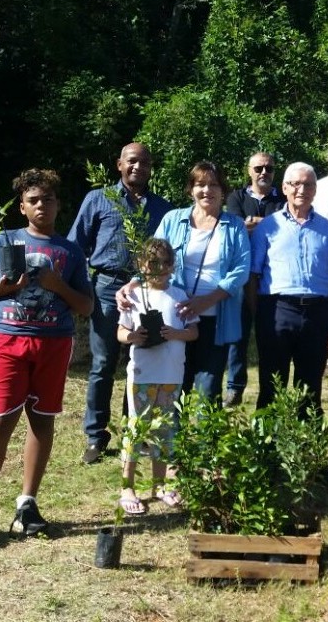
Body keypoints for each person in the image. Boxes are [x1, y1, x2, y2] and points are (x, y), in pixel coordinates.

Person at [0, 169, 94, 545]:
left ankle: (27, 504)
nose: (41, 205)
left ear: (58, 205)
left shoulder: (70, 252)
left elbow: (86, 306)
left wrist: (57, 285)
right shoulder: (4, 241)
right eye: (34, 200)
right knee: (0, 421)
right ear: (22, 207)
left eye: (48, 199)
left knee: (42, 420)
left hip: (54, 342)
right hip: (8, 338)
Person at [69, 142, 172, 465]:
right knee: (102, 364)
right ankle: (96, 437)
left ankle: (135, 431)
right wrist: (83, 287)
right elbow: (76, 246)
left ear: (151, 167)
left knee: (137, 362)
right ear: (119, 164)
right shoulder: (99, 199)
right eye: (132, 161)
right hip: (106, 287)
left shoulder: (162, 208)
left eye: (144, 162)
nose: (137, 167)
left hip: (145, 291)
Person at [117, 161, 251, 403]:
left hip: (215, 318)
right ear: (191, 189)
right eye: (200, 184)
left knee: (207, 391)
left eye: (213, 184)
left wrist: (206, 301)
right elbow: (152, 257)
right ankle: (167, 440)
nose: (207, 190)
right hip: (174, 317)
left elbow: (241, 270)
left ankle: (200, 441)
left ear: (223, 190)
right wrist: (132, 285)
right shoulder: (172, 219)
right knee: (173, 386)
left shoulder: (235, 226)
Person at [250, 162, 328, 412]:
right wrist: (258, 316)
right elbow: (253, 276)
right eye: (295, 184)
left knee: (310, 386)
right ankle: (267, 446)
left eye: (308, 184)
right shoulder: (267, 227)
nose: (301, 189)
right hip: (277, 310)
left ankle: (306, 445)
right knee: (271, 383)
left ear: (315, 190)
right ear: (284, 188)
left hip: (317, 313)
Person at [116, 238, 199, 515]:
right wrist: (133, 337)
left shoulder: (179, 295)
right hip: (142, 374)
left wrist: (176, 333)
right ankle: (127, 486)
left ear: (173, 266)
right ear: (142, 265)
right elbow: (120, 332)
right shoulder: (135, 296)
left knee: (165, 431)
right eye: (153, 263)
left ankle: (160, 484)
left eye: (166, 263)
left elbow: (193, 331)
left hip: (172, 374)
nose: (160, 268)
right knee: (137, 429)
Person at [223, 152, 286, 407]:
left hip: (272, 276)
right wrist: (269, 223)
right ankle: (235, 387)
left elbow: (284, 228)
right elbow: (237, 226)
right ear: (249, 170)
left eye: (269, 169)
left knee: (269, 337)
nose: (264, 173)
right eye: (258, 168)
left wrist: (254, 223)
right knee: (238, 335)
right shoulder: (236, 197)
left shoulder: (282, 198)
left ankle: (270, 392)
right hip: (241, 274)